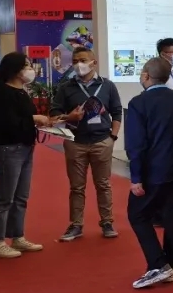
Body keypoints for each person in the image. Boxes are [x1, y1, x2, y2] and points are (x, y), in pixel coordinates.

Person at [124, 58, 173, 288]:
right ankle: (170, 265)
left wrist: (136, 177)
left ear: (146, 76)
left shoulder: (138, 103)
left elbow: (136, 143)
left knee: (137, 214)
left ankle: (158, 264)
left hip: (152, 170)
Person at [50, 47, 124, 242]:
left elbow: (117, 111)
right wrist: (70, 116)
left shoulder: (107, 86)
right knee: (76, 187)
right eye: (75, 61)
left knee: (103, 184)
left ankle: (107, 222)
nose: (78, 64)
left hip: (102, 141)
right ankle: (76, 225)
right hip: (75, 142)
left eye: (83, 60)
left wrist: (113, 137)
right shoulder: (66, 87)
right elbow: (54, 114)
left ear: (94, 63)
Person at [0, 53, 50, 258]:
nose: (30, 69)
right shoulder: (1, 92)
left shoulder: (22, 91)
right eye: (26, 65)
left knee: (21, 196)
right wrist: (34, 118)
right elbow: (7, 123)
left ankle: (17, 236)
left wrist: (39, 121)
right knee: (4, 197)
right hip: (8, 149)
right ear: (15, 69)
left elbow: (22, 119)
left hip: (25, 147)